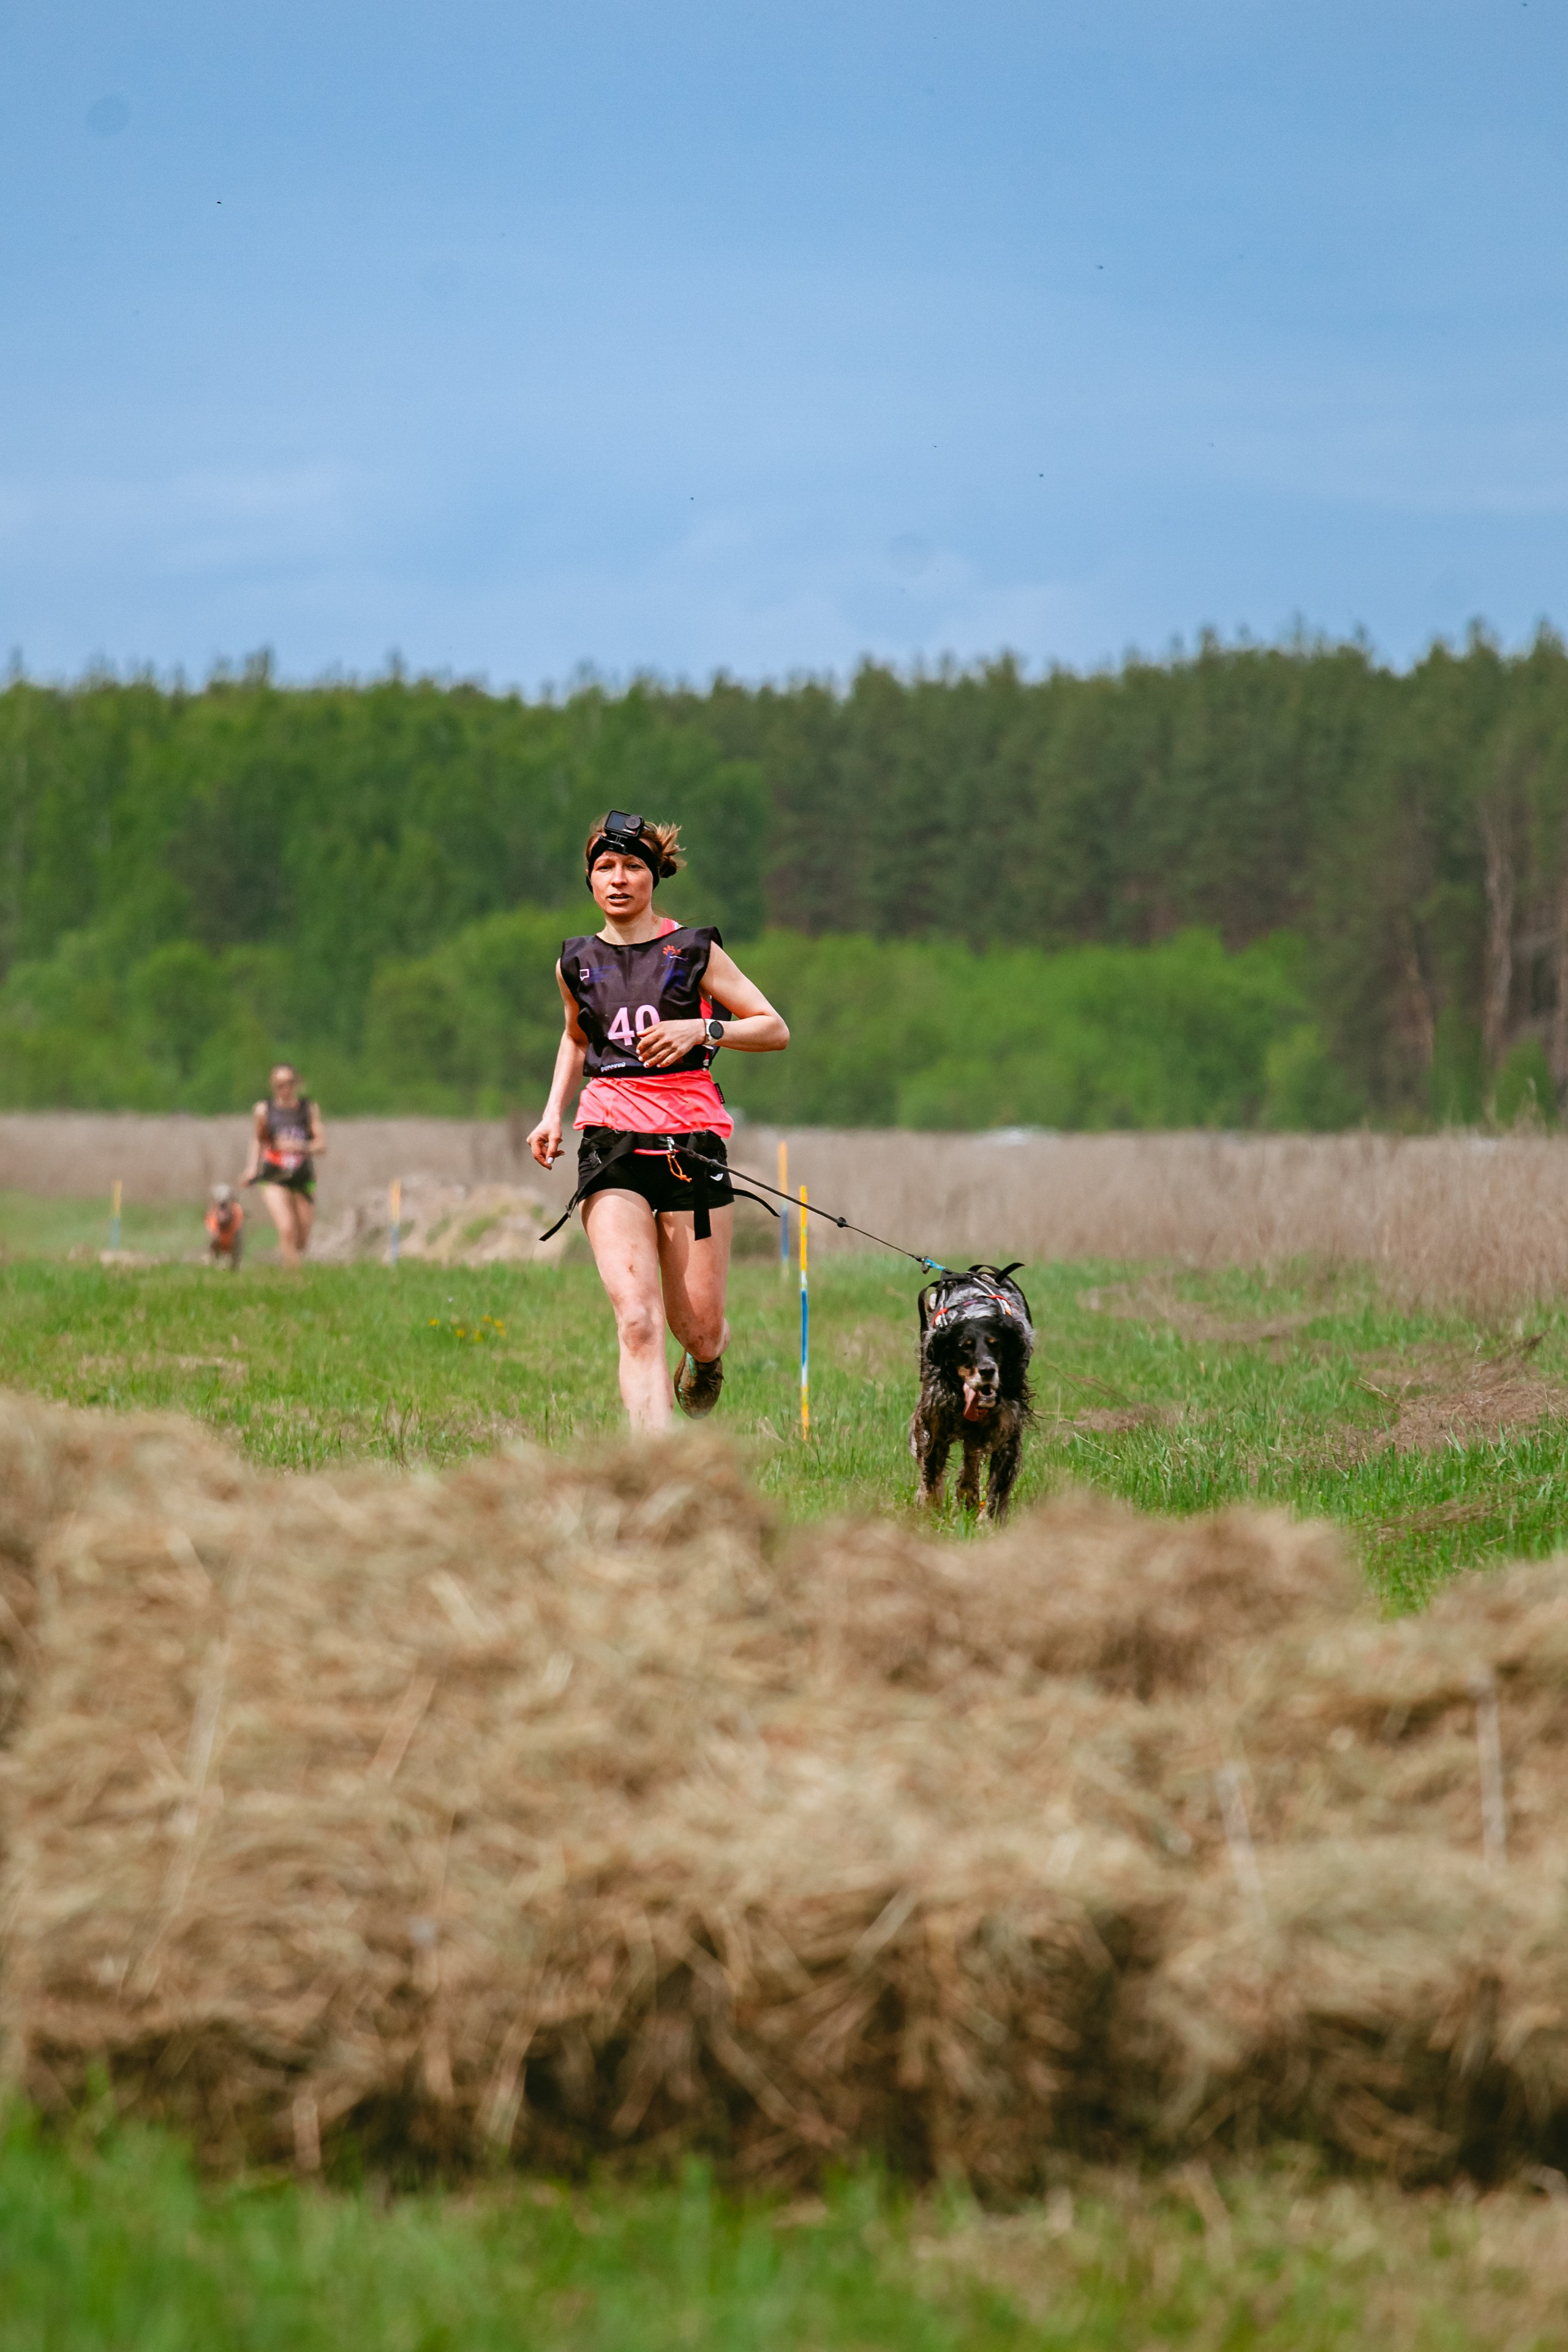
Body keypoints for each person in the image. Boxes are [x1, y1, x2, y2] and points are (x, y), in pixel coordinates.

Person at [528, 810, 789, 1430]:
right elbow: (575, 1037)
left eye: (632, 867)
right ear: (590, 879)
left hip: (690, 1149)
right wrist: (551, 1115)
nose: (618, 879)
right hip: (610, 1147)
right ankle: (659, 1473)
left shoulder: (694, 951)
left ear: (654, 875)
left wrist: (703, 1027)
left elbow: (773, 1028)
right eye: (604, 868)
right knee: (638, 1322)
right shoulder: (576, 962)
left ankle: (708, 1358)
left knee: (695, 1328)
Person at [241, 1063, 326, 1268]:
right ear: (272, 1086)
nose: (284, 1089)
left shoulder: (308, 1109)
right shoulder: (264, 1110)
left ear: (296, 1084)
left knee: (302, 1237)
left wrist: (298, 1146)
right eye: (278, 1084)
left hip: (302, 1178)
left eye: (288, 1083)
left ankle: (294, 1262)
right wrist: (252, 1167)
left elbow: (321, 1145)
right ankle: (293, 1279)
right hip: (274, 1177)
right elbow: (259, 1139)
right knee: (287, 1228)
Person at [205, 1182, 244, 1269]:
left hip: (233, 1236)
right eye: (219, 1197)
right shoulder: (212, 1220)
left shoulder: (237, 1220)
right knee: (212, 1240)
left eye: (227, 1198)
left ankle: (234, 1266)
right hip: (216, 1241)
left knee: (237, 1244)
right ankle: (213, 1261)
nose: (223, 1201)